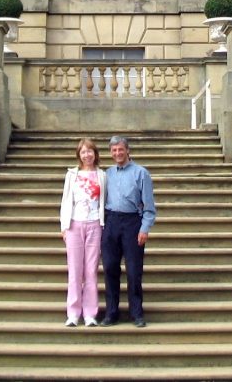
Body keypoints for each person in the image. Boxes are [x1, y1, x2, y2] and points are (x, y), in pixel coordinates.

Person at [100, 135, 156, 328]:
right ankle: (111, 313)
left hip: (132, 222)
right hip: (111, 222)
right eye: (114, 150)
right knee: (110, 268)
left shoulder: (141, 173)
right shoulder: (107, 174)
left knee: (133, 271)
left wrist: (144, 228)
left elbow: (149, 206)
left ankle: (137, 313)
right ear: (110, 153)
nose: (117, 153)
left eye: (120, 149)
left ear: (127, 150)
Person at [59, 138, 106, 327]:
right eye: (83, 152)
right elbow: (66, 201)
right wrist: (64, 226)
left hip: (95, 224)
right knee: (75, 270)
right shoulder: (72, 174)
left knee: (91, 271)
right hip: (74, 224)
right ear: (79, 155)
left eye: (90, 151)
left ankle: (90, 314)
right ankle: (73, 313)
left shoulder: (102, 175)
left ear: (95, 153)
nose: (87, 155)